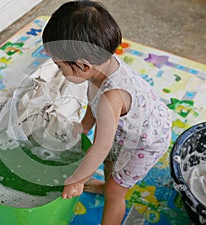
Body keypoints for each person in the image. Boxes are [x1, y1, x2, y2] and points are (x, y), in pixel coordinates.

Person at [42, 1, 172, 225]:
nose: (59, 71)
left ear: (83, 65)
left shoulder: (112, 97)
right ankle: (106, 184)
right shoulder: (99, 68)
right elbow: (92, 102)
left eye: (60, 65)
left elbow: (100, 146)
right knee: (110, 165)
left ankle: (110, 199)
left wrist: (77, 179)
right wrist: (84, 125)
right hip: (124, 130)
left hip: (145, 142)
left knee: (115, 191)